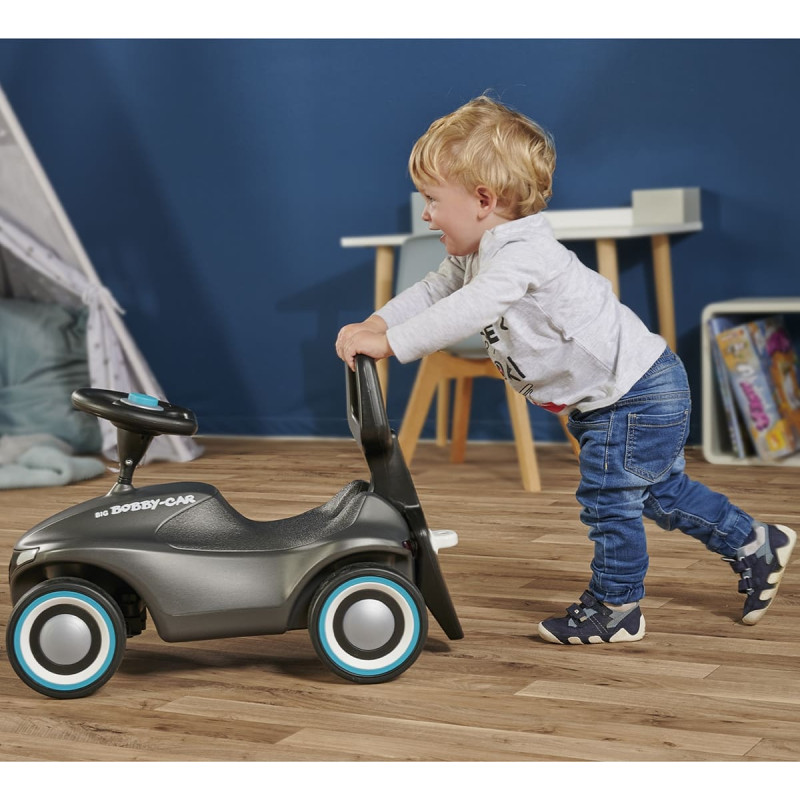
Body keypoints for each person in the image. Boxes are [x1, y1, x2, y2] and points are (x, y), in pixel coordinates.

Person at [335, 95, 796, 644]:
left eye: (432, 200)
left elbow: (471, 307)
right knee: (659, 494)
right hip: (623, 394)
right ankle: (755, 543)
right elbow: (436, 289)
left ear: (483, 199)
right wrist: (378, 322)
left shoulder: (523, 253)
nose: (426, 214)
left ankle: (616, 607)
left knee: (608, 500)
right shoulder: (479, 253)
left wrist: (392, 344)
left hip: (633, 394)